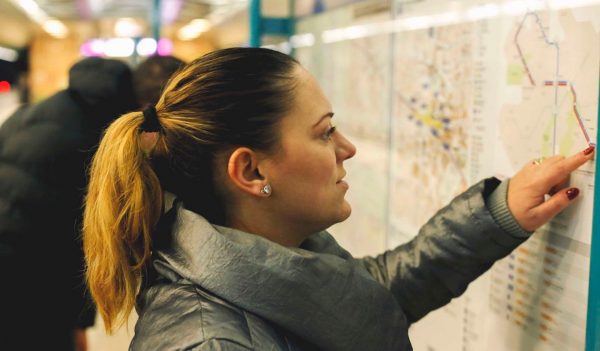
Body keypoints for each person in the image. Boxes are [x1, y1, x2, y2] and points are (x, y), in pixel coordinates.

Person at [82, 48, 595, 351]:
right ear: (251, 170)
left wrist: (499, 212)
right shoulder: (213, 343)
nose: (347, 149)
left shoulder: (251, 265)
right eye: (325, 133)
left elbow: (365, 298)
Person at [0, 57, 136, 350]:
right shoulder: (91, 141)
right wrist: (79, 321)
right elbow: (76, 239)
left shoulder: (24, 115)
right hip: (36, 275)